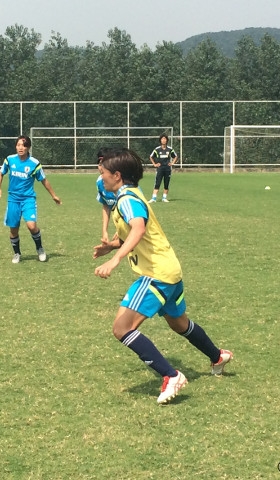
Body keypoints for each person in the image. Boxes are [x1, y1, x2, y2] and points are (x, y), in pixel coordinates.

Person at [93, 147, 232, 405]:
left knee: (121, 328)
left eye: (103, 174)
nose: (101, 178)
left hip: (155, 274)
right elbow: (137, 233)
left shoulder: (126, 199)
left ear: (118, 176)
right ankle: (217, 356)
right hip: (170, 270)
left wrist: (116, 259)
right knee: (180, 325)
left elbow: (138, 228)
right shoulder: (130, 195)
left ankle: (171, 375)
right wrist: (111, 246)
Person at [0, 135, 62, 263]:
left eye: (24, 145)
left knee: (32, 226)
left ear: (28, 147)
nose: (21, 148)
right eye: (19, 145)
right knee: (13, 229)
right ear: (16, 146)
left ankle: (40, 248)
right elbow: (0, 173)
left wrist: (54, 195)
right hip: (13, 199)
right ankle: (17, 253)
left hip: (28, 199)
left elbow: (44, 180)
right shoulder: (9, 160)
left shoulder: (34, 163)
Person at [95, 147, 117, 242]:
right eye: (100, 164)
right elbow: (106, 206)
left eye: (105, 164)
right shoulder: (99, 183)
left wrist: (122, 227)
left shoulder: (123, 182)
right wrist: (104, 231)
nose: (101, 167)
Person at [148, 133, 178, 203]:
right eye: (162, 139)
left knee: (166, 183)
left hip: (167, 169)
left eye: (165, 139)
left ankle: (164, 198)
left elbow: (175, 156)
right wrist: (154, 164)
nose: (163, 140)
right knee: (157, 183)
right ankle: (153, 198)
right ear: (160, 140)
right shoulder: (157, 149)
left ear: (167, 140)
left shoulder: (170, 149)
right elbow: (151, 156)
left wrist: (173, 163)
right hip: (160, 168)